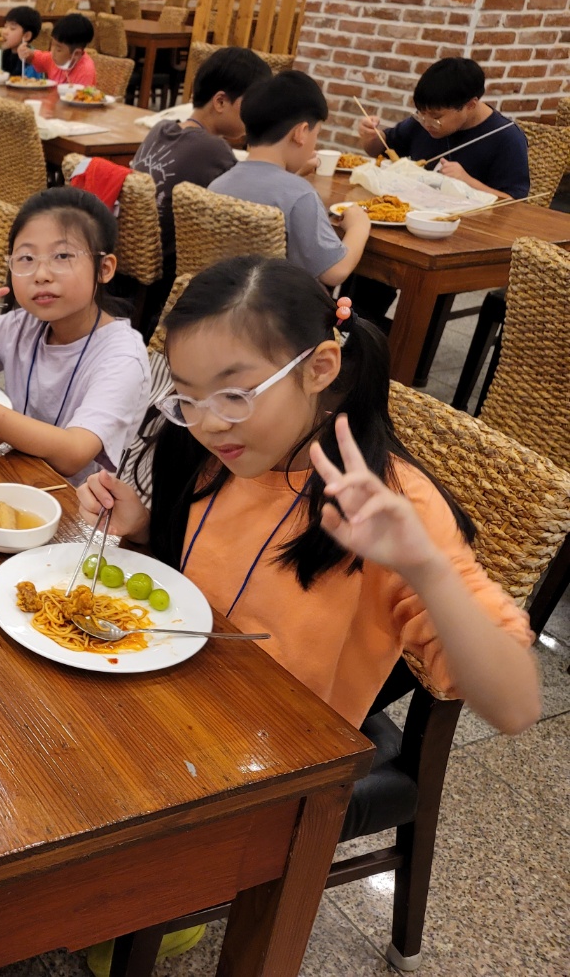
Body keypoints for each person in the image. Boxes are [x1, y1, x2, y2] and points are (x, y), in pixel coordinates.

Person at [75, 259, 537, 977]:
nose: (208, 423)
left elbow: (514, 704)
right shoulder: (212, 449)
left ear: (320, 367)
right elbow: (200, 576)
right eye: (186, 398)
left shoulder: (386, 508)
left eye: (234, 394)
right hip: (169, 702)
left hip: (270, 767)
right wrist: (141, 530)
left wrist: (427, 568)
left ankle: (151, 906)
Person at [0, 187, 150, 485]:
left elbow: (73, 455)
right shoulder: (23, 325)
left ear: (104, 268)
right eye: (26, 258)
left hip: (78, 504)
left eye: (62, 256)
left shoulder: (122, 357)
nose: (41, 274)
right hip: (15, 476)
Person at [129, 46, 274, 332]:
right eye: (251, 105)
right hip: (173, 276)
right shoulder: (213, 150)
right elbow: (254, 194)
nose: (257, 114)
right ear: (220, 101)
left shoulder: (161, 128)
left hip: (135, 271)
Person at [208, 70, 369, 288]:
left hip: (221, 298)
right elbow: (334, 272)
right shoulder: (300, 195)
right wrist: (359, 226)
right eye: (316, 134)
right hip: (276, 305)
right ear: (301, 133)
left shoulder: (218, 184)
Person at [357, 57, 529, 200]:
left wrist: (468, 182)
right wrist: (372, 136)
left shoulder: (506, 137)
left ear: (470, 105)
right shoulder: (423, 121)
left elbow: (514, 205)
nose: (427, 123)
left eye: (436, 117)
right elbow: (382, 150)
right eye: (421, 113)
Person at [20, 11, 96, 86]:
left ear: (76, 54)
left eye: (59, 49)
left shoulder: (85, 71)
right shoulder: (54, 58)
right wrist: (25, 52)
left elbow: (79, 94)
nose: (52, 52)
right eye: (52, 45)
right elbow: (34, 57)